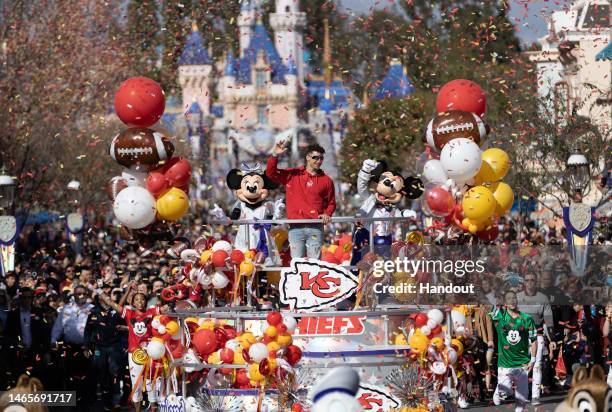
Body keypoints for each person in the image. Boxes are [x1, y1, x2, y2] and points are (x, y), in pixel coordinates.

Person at [98, 282, 163, 412]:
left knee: (151, 383)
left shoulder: (151, 312)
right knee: (137, 385)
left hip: (151, 353)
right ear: (133, 303)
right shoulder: (129, 313)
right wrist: (100, 292)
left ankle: (154, 409)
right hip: (134, 354)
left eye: (142, 299)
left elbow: (165, 308)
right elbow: (112, 304)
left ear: (146, 301)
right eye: (137, 300)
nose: (140, 302)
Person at [266, 141, 336, 259]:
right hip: (295, 228)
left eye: (321, 158)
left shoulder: (327, 181)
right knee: (297, 264)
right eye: (315, 157)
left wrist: (327, 214)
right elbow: (270, 173)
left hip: (315, 228)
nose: (319, 161)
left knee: (315, 264)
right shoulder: (292, 175)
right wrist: (275, 155)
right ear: (308, 157)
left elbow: (331, 203)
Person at [489, 290, 537, 412]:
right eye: (509, 298)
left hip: (523, 363)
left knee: (521, 400)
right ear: (505, 302)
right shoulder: (499, 317)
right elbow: (487, 303)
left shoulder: (527, 319)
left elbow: (534, 340)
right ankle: (499, 390)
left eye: (514, 298)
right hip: (505, 363)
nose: (512, 300)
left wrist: (533, 360)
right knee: (505, 392)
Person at [50, 285, 94, 410]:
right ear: (74, 295)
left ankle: (85, 403)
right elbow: (58, 327)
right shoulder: (66, 309)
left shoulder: (92, 309)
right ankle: (71, 403)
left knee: (86, 376)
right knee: (70, 376)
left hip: (87, 348)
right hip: (70, 347)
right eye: (78, 294)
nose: (81, 296)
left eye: (84, 294)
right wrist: (53, 340)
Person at [517, 273, 553, 404]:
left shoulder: (543, 298)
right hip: (520, 337)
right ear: (524, 282)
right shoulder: (517, 298)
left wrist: (552, 339)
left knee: (537, 366)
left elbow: (549, 319)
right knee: (522, 367)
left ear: (536, 282)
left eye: (532, 280)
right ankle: (522, 394)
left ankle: (535, 396)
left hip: (537, 335)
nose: (530, 282)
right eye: (527, 280)